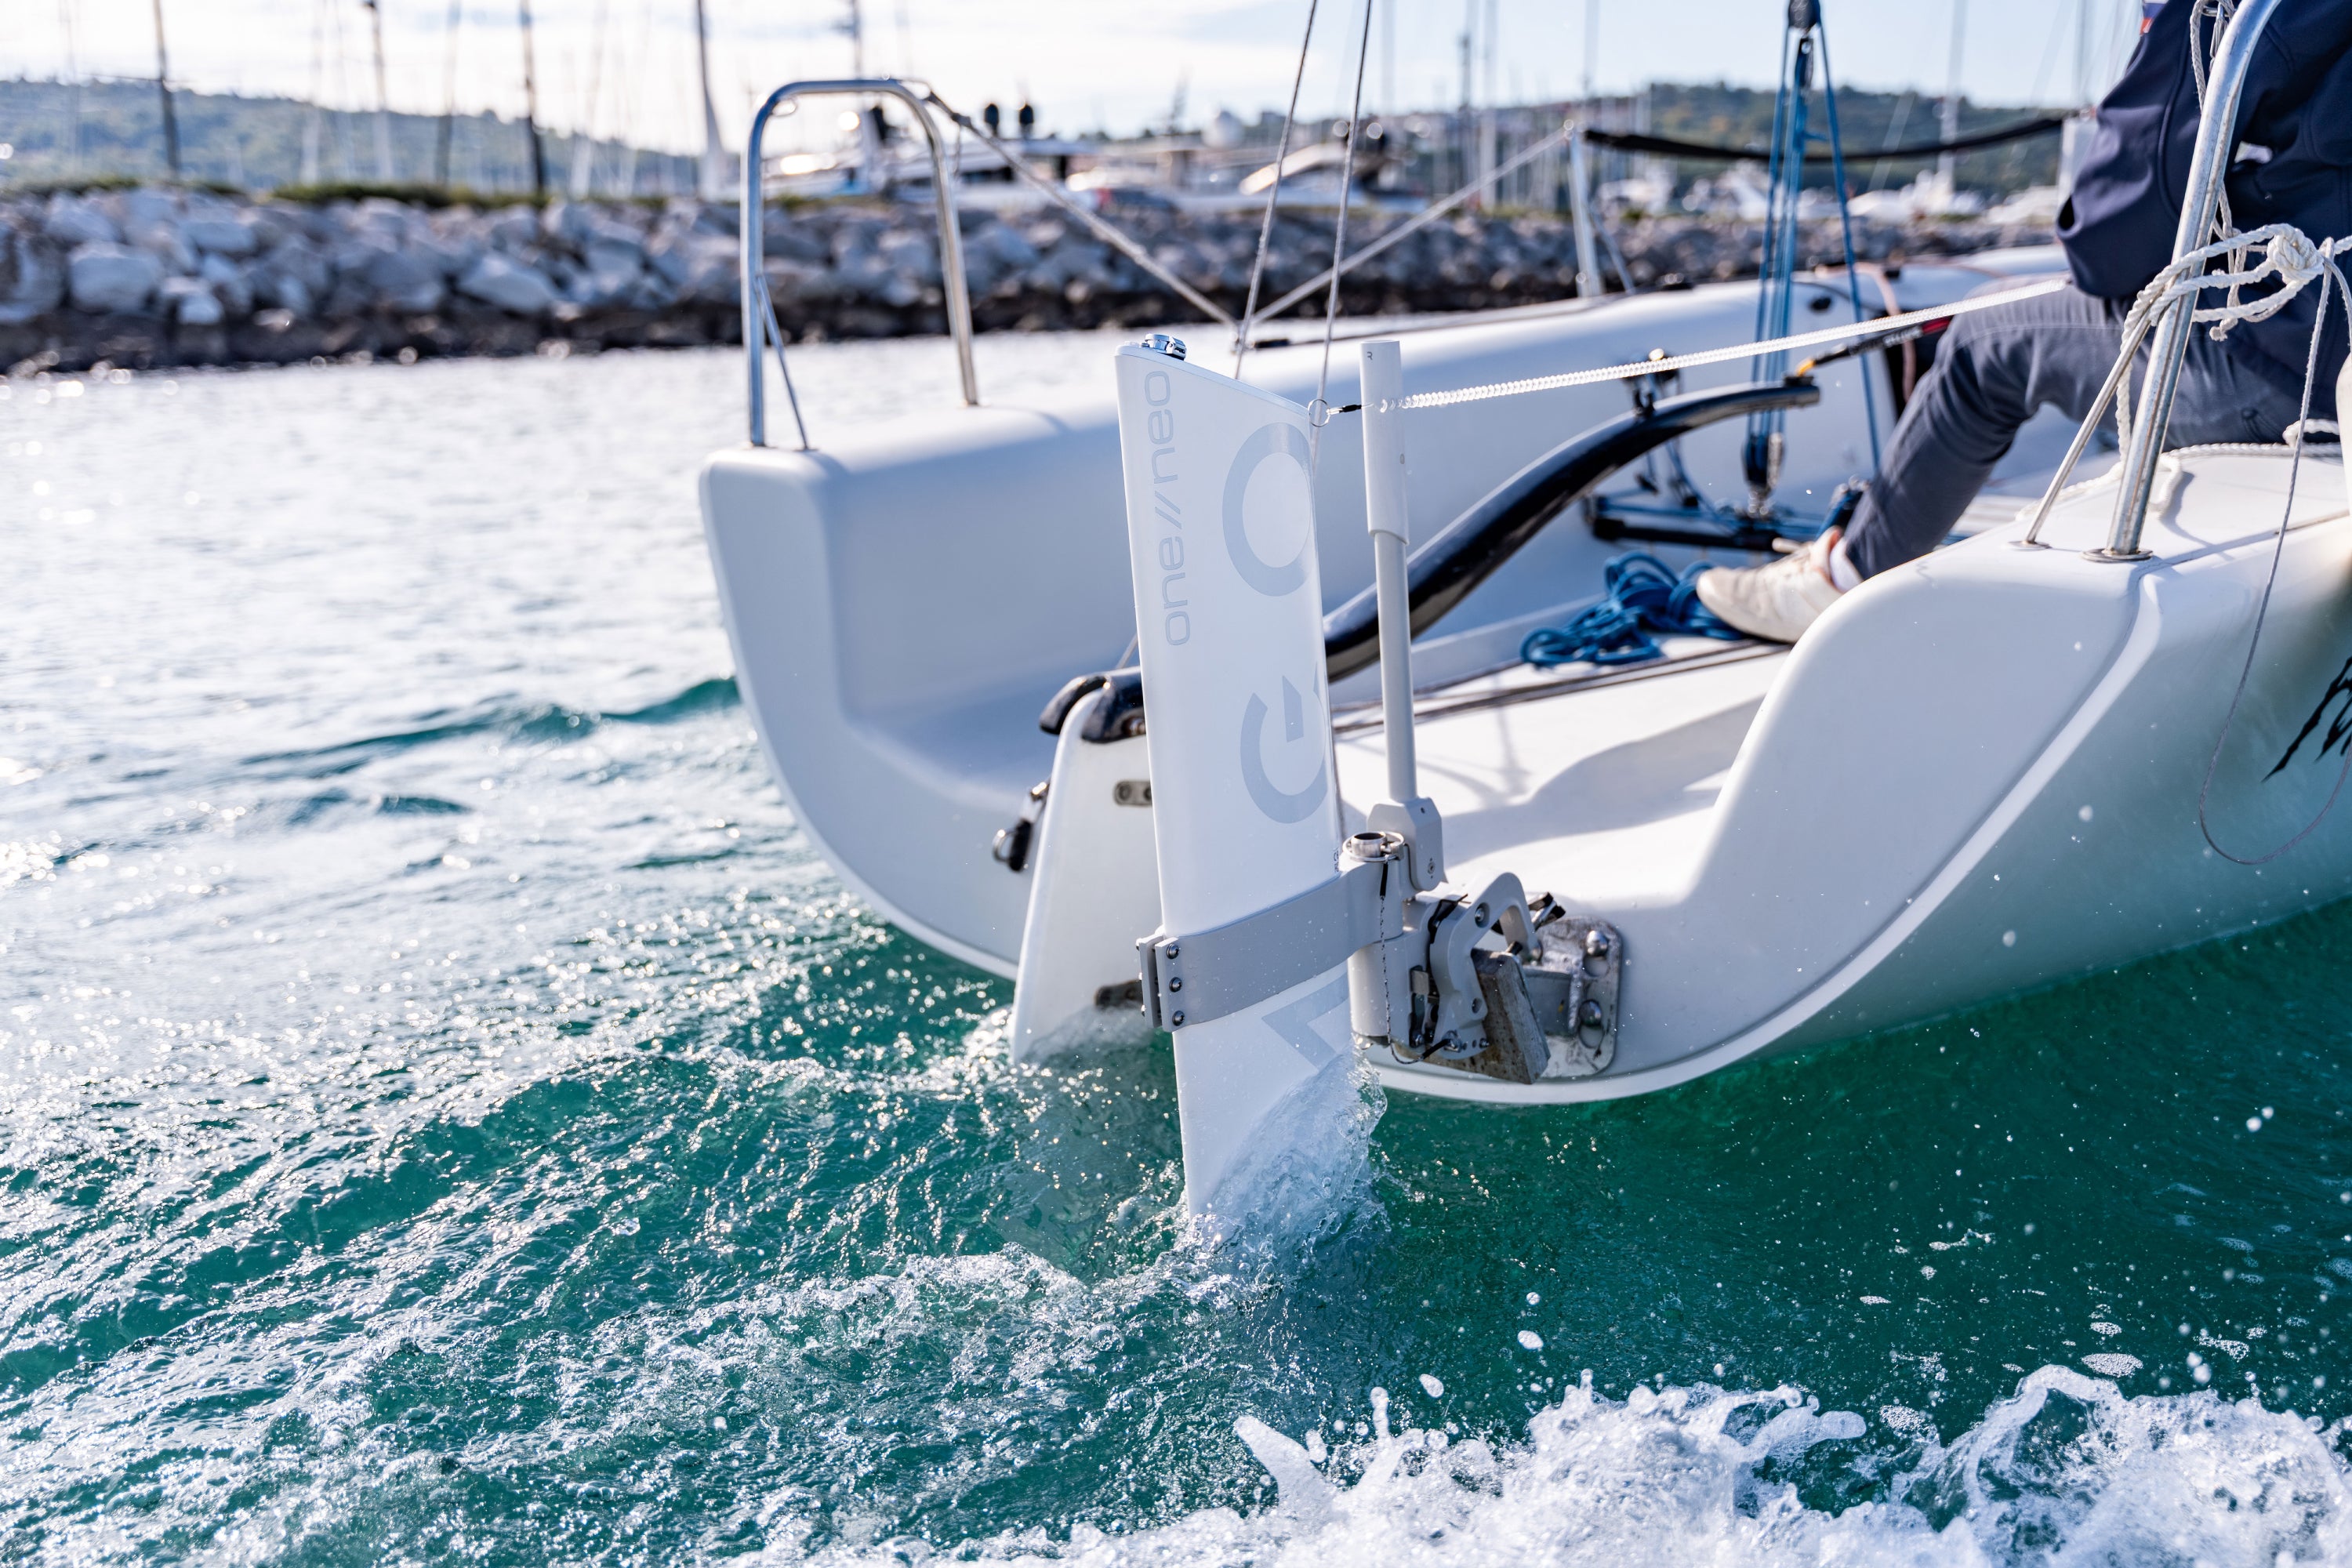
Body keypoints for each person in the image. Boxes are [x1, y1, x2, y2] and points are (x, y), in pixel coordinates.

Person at [1694, 0, 2352, 644]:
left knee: (1982, 346)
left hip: (2291, 367)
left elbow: (2110, 245)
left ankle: (1842, 578)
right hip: (2331, 351)